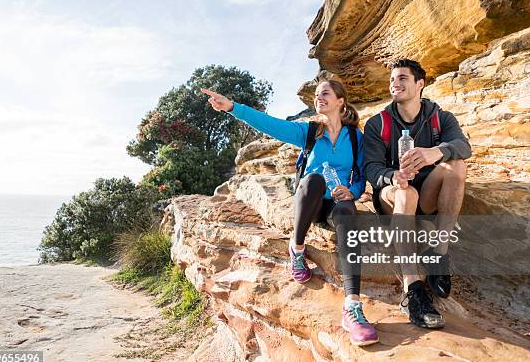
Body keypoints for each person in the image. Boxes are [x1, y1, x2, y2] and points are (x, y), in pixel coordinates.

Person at [202, 80, 379, 346]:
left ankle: (352, 306)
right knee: (314, 180)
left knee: (347, 213)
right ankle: (297, 248)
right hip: (311, 202)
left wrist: (351, 191)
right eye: (317, 95)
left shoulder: (356, 137)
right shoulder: (310, 131)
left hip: (336, 203)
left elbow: (362, 173)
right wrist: (232, 108)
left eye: (325, 94)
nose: (319, 98)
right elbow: (270, 124)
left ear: (341, 100)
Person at [363, 59, 471, 329]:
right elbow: (371, 168)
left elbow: (463, 146)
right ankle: (413, 289)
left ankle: (438, 254)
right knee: (406, 195)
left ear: (419, 84)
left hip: (428, 195)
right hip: (394, 193)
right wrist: (392, 176)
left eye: (402, 79)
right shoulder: (378, 123)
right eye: (392, 80)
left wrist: (435, 152)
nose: (394, 84)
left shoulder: (439, 117)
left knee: (456, 164)